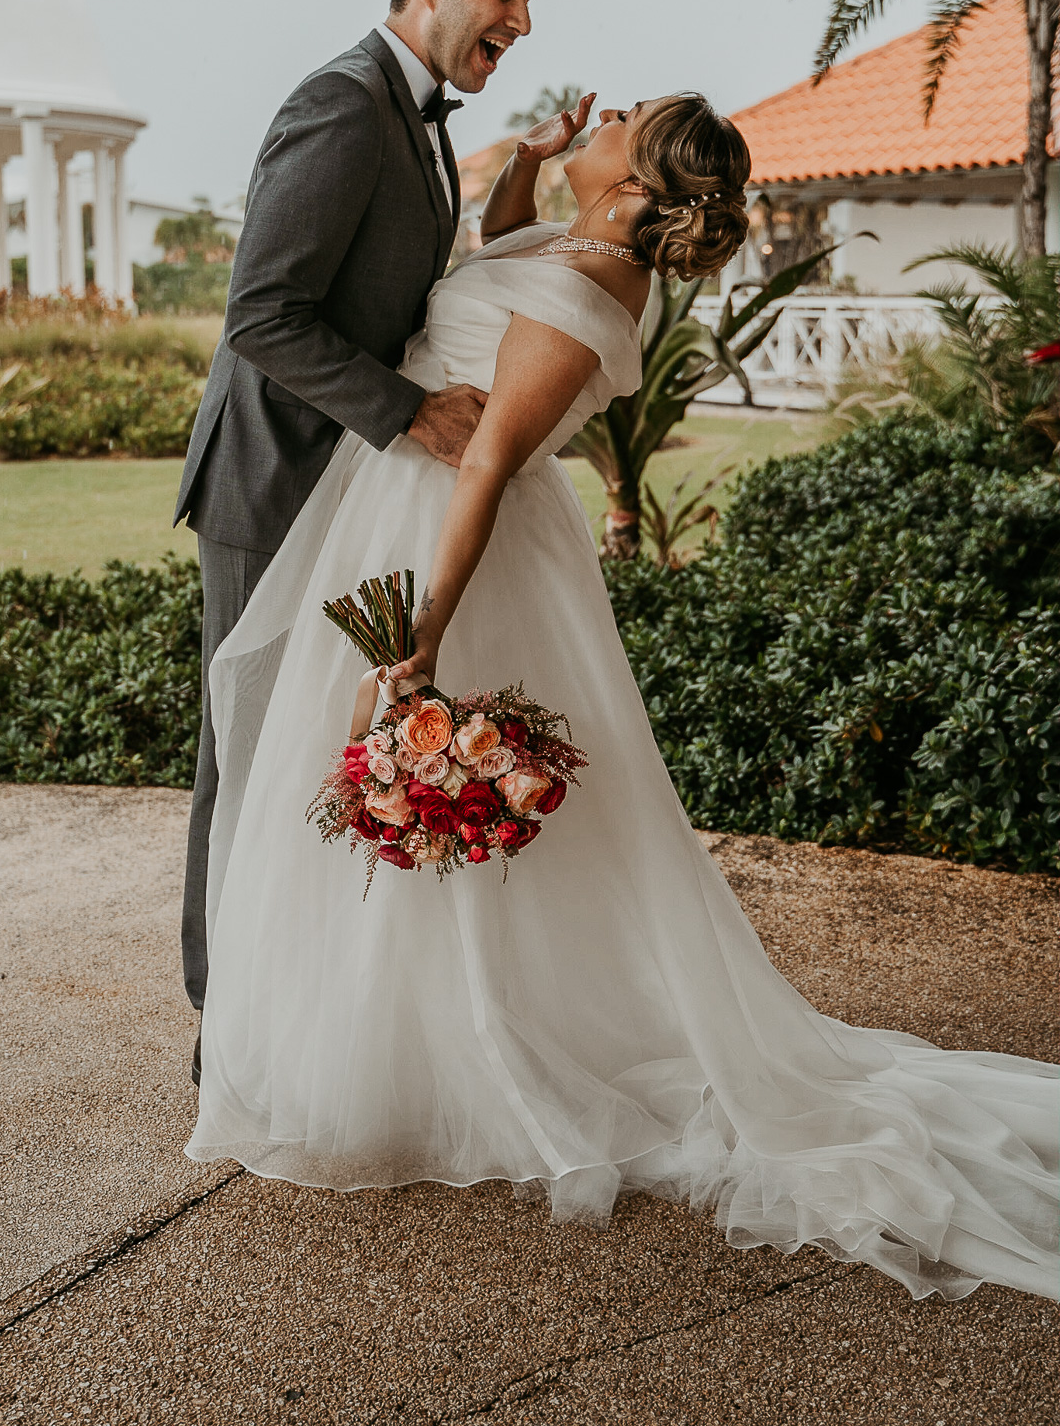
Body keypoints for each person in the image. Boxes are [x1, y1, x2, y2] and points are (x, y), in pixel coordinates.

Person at [187, 93, 1058, 1303]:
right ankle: (400, 1038)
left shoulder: (591, 294)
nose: (609, 110)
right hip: (404, 506)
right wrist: (527, 170)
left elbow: (487, 458)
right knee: (382, 798)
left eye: (628, 116)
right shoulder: (577, 246)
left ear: (641, 178)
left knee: (435, 789)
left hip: (456, 545)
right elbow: (494, 262)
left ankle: (474, 1048)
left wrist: (423, 637)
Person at [173, 0, 541, 1074]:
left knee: (310, 752)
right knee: (248, 751)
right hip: (272, 483)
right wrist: (409, 413)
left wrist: (520, 186)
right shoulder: (343, 103)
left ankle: (292, 1004)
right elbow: (263, 316)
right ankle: (225, 1031)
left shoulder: (424, 116)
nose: (522, 20)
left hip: (341, 489)